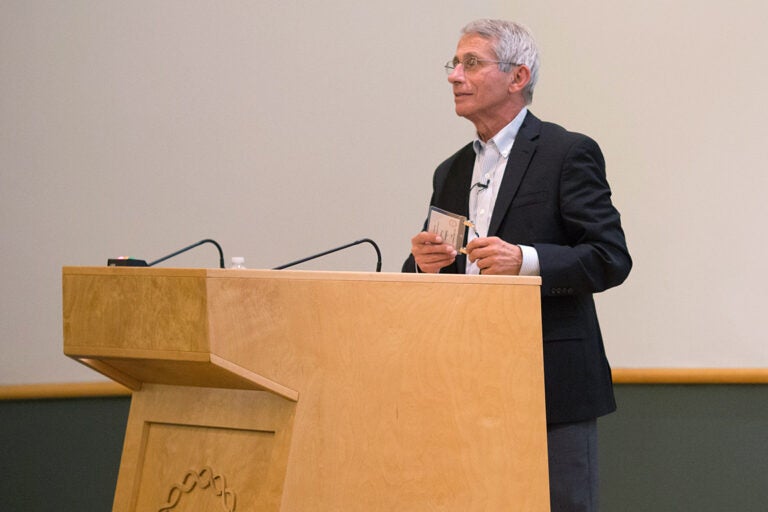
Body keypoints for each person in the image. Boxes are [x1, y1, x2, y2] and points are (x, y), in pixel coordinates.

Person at [402, 19, 632, 511]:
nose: (454, 76)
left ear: (517, 76)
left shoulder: (566, 153)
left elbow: (609, 257)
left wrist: (524, 260)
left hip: (551, 384)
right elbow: (430, 274)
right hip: (466, 384)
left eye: (471, 63)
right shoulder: (452, 170)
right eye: (454, 64)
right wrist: (422, 264)